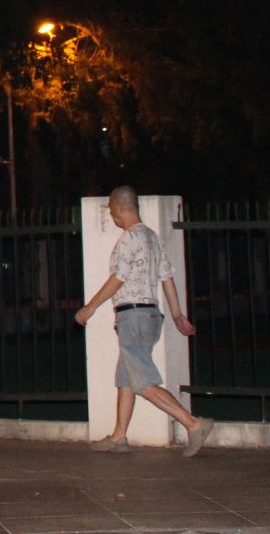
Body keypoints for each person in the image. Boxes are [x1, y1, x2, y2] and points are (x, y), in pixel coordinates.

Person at [76, 186, 213, 455]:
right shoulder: (152, 237)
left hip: (133, 316)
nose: (113, 217)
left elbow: (119, 278)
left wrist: (90, 307)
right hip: (150, 315)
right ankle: (119, 437)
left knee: (143, 383)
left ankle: (193, 423)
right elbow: (167, 278)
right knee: (127, 378)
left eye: (112, 212)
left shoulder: (129, 238)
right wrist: (176, 315)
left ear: (119, 208)